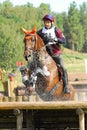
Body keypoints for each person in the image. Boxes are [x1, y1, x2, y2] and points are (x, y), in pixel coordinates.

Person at [37, 14, 70, 94]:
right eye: (45, 22)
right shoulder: (41, 31)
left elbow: (63, 40)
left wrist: (56, 39)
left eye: (48, 22)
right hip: (45, 54)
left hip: (56, 53)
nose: (47, 24)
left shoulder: (56, 30)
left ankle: (66, 86)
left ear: (51, 23)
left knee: (63, 68)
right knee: (36, 64)